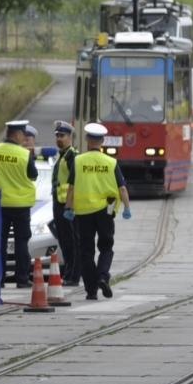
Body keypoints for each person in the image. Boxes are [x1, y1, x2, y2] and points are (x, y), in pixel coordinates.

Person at [63, 122, 132, 301]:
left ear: (87, 139)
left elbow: (71, 188)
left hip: (83, 212)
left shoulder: (78, 161)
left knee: (86, 251)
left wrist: (69, 208)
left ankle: (91, 291)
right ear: (102, 141)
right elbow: (122, 188)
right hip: (105, 212)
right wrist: (127, 208)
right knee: (106, 247)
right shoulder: (111, 162)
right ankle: (103, 276)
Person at [0, 119, 38, 288]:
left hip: (0, 204)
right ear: (16, 134)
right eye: (23, 134)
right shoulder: (24, 154)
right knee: (21, 242)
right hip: (21, 205)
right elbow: (33, 175)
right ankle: (22, 279)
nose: (24, 138)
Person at [50, 120, 80, 286]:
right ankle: (69, 273)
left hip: (67, 206)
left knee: (71, 242)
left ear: (70, 137)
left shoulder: (71, 156)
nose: (59, 139)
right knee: (64, 241)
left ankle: (73, 275)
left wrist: (70, 206)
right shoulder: (62, 155)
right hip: (59, 203)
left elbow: (74, 183)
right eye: (57, 136)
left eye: (62, 136)